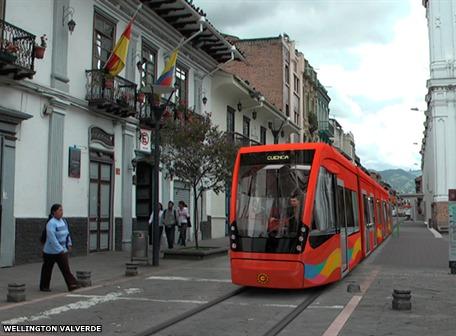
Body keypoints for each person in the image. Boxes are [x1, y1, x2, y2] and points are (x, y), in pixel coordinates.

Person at [39, 204, 79, 292]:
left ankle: (72, 284)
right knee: (47, 269)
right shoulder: (51, 223)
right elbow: (52, 238)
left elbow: (67, 234)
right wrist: (59, 249)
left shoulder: (63, 221)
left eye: (62, 210)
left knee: (65, 268)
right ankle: (44, 286)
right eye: (60, 210)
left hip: (62, 250)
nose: (62, 212)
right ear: (54, 212)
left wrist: (69, 244)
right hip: (50, 251)